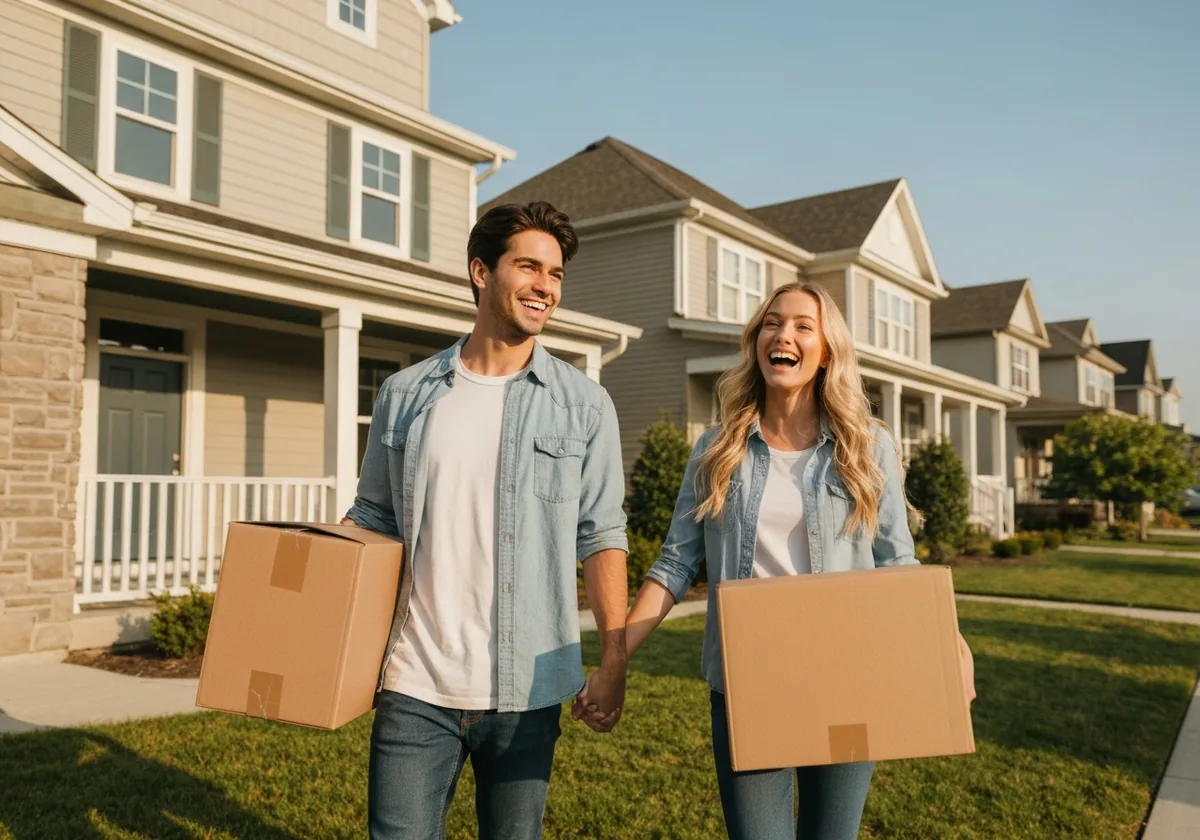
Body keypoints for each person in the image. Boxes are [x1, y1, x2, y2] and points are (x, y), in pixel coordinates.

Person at [577, 281, 976, 840]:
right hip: (749, 684)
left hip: (848, 677)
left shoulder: (866, 447)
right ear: (756, 341)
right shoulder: (717, 450)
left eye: (802, 326)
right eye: (771, 323)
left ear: (826, 351)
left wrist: (948, 641)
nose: (783, 335)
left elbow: (897, 561)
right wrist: (614, 661)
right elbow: (674, 566)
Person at [343, 201, 631, 840]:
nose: (545, 286)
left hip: (526, 688)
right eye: (528, 267)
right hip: (414, 680)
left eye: (555, 274)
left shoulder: (584, 405)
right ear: (481, 271)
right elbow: (372, 516)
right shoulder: (405, 395)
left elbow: (602, 535)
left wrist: (613, 660)